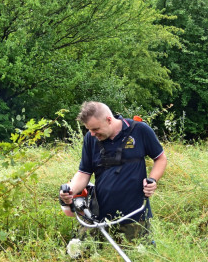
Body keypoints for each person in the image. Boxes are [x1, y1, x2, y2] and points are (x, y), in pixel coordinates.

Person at [59, 101, 167, 242]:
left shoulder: (139, 130)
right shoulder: (90, 139)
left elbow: (160, 159)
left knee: (137, 257)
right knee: (80, 255)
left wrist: (152, 180)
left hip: (135, 215)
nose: (92, 134)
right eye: (89, 130)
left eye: (95, 129)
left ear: (109, 120)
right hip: (97, 214)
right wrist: (71, 191)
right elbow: (84, 172)